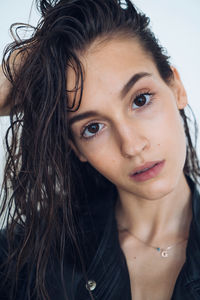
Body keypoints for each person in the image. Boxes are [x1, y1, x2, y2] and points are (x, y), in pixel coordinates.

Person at [0, 0, 200, 299]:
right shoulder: (29, 258)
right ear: (76, 147)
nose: (132, 146)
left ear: (176, 88)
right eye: (92, 128)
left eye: (141, 99)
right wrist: (34, 58)